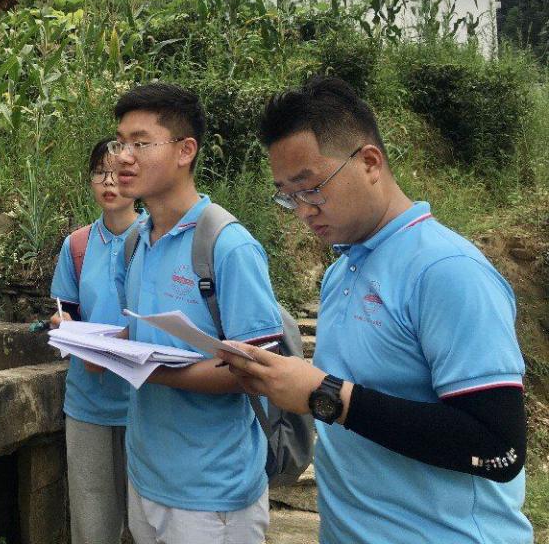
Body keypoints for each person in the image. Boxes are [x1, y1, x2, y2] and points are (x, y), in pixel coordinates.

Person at [218, 75, 530, 544]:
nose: (302, 210)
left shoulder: (447, 270)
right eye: (288, 195)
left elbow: (498, 449)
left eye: (311, 187)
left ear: (369, 162)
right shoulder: (341, 271)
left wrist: (325, 396)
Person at [111, 83, 283, 544]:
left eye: (140, 143)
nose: (123, 157)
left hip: (212, 493)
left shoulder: (227, 245)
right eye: (119, 143)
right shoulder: (135, 241)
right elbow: (140, 335)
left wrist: (152, 370)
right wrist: (98, 343)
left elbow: (259, 368)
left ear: (185, 150)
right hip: (144, 474)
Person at [49, 138, 143, 544]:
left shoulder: (156, 240)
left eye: (119, 173)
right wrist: (65, 327)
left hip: (145, 404)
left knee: (146, 526)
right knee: (92, 526)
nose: (109, 182)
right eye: (100, 173)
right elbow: (66, 311)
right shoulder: (77, 245)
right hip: (87, 402)